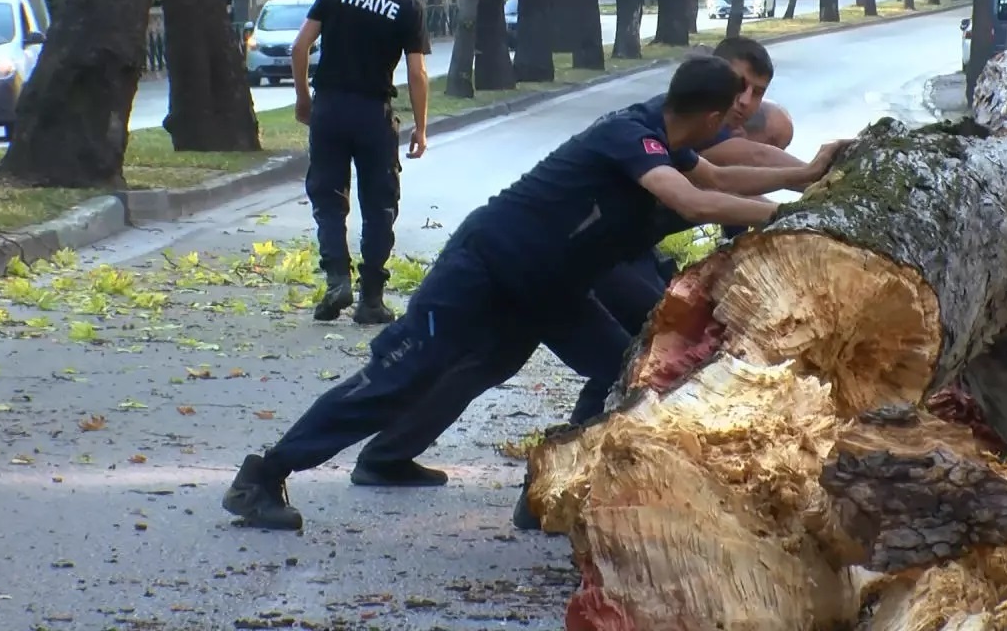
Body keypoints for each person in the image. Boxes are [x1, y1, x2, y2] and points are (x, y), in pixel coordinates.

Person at [222, 57, 847, 531]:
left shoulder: (671, 138)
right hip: (489, 267)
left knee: (622, 371)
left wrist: (806, 176)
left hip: (551, 285)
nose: (741, 114)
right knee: (404, 374)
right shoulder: (630, 136)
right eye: (735, 105)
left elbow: (716, 175)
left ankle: (547, 493)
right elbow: (690, 197)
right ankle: (264, 474)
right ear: (711, 117)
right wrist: (781, 214)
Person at [345, 37, 798, 486]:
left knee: (500, 360)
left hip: (614, 255)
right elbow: (746, 164)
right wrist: (817, 177)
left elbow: (741, 214)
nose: (745, 101)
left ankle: (390, 455)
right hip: (577, 258)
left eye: (757, 92)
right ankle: (570, 474)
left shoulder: (703, 131)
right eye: (741, 87)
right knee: (636, 355)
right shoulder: (695, 130)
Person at [293, 0, 431, 326]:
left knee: (328, 196)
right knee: (379, 203)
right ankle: (371, 298)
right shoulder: (407, 5)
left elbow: (300, 46)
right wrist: (420, 128)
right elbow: (418, 73)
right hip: (373, 113)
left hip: (330, 108)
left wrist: (304, 99)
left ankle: (337, 278)